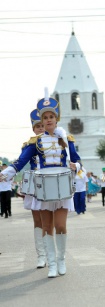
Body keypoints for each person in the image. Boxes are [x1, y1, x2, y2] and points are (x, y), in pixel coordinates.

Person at [1, 93, 82, 278]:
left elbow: (78, 161)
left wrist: (74, 165)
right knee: (47, 227)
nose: (48, 120)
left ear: (56, 118)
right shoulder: (35, 142)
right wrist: (4, 175)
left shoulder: (67, 140)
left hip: (62, 187)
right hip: (43, 188)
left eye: (51, 117)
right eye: (45, 117)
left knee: (60, 226)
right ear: (42, 120)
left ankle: (61, 260)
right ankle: (51, 264)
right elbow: (20, 162)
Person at [22, 109, 47, 268]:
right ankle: (41, 255)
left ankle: (50, 252)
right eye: (37, 126)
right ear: (33, 128)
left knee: (49, 220)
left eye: (42, 125)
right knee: (37, 220)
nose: (40, 128)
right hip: (34, 184)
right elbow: (21, 160)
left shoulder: (55, 143)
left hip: (49, 183)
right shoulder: (28, 145)